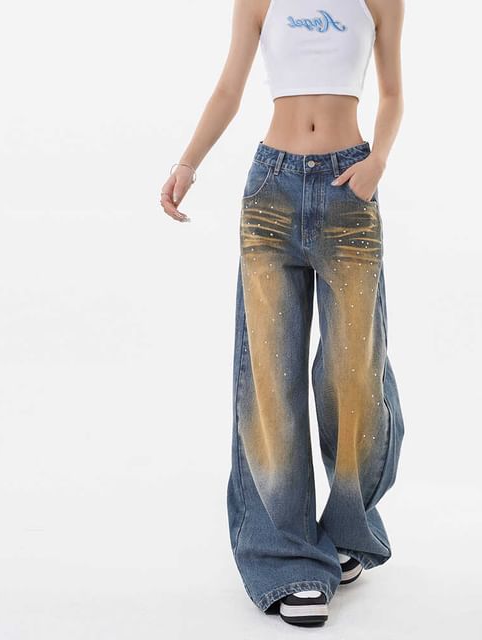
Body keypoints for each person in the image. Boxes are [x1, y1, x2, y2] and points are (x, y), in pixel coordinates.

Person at [160, 0, 406, 627]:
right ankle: (287, 557)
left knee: (355, 377)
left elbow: (393, 92)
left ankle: (348, 529)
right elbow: (228, 88)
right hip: (271, 191)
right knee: (270, 381)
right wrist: (188, 164)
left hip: (349, 190)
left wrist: (377, 162)